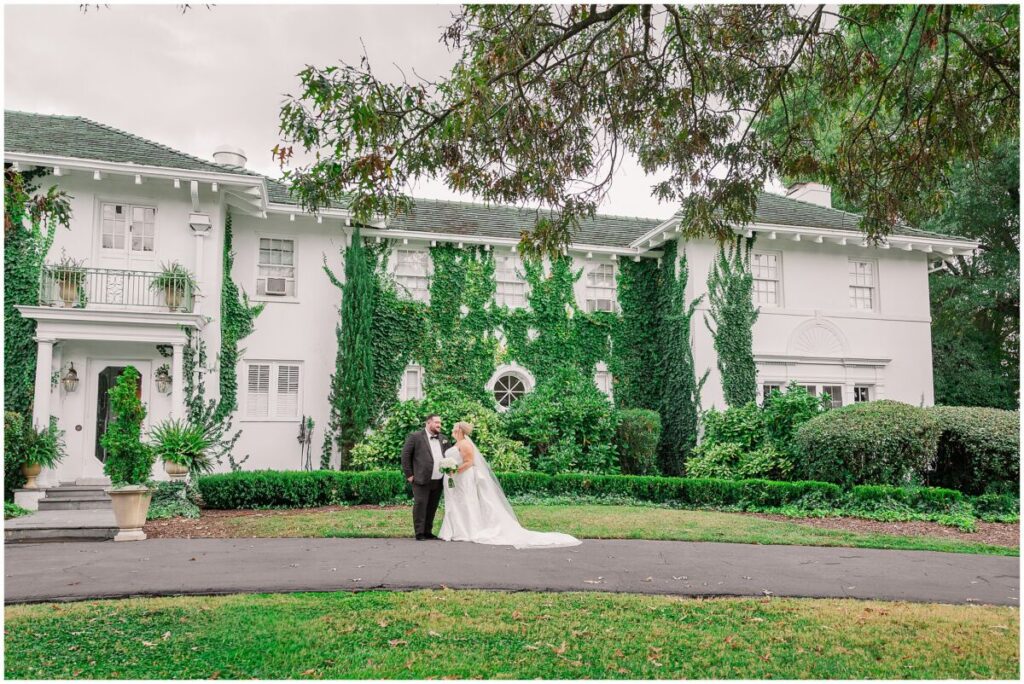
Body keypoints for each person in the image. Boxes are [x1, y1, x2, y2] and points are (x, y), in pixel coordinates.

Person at [438, 421, 581, 549]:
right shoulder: (456, 444)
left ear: (460, 431)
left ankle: (467, 530)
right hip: (456, 479)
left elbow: (469, 462)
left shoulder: (466, 444)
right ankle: (457, 530)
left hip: (464, 478)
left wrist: (454, 470)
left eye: (454, 429)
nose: (452, 431)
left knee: (466, 502)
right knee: (457, 503)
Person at [400, 414, 452, 540]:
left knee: (432, 506)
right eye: (436, 422)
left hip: (439, 479)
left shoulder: (444, 439)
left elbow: (449, 456)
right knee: (420, 505)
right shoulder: (415, 437)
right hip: (421, 478)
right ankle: (419, 533)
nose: (439, 425)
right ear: (428, 423)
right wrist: (409, 475)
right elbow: (405, 456)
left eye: (440, 422)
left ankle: (428, 531)